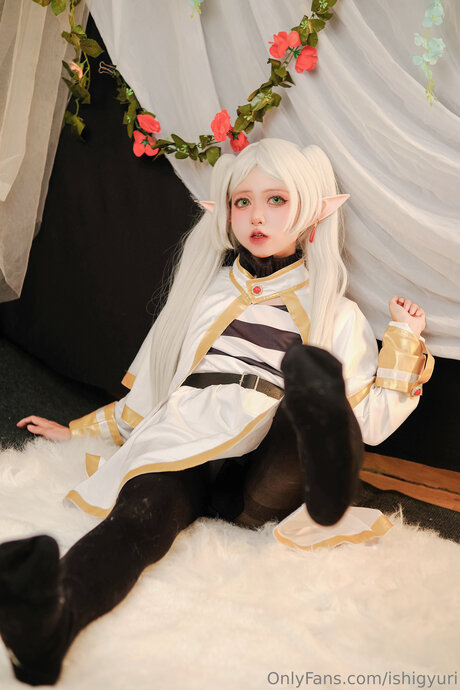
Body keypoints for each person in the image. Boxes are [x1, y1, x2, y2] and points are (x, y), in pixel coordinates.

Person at [1, 139, 432, 686]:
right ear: (224, 214)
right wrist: (79, 431)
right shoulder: (199, 295)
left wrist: (403, 340)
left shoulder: (336, 314)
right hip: (189, 441)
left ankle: (324, 470)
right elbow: (150, 394)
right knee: (136, 521)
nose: (256, 216)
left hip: (268, 471)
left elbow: (370, 421)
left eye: (276, 200)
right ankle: (50, 627)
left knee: (307, 399)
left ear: (312, 213)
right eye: (241, 202)